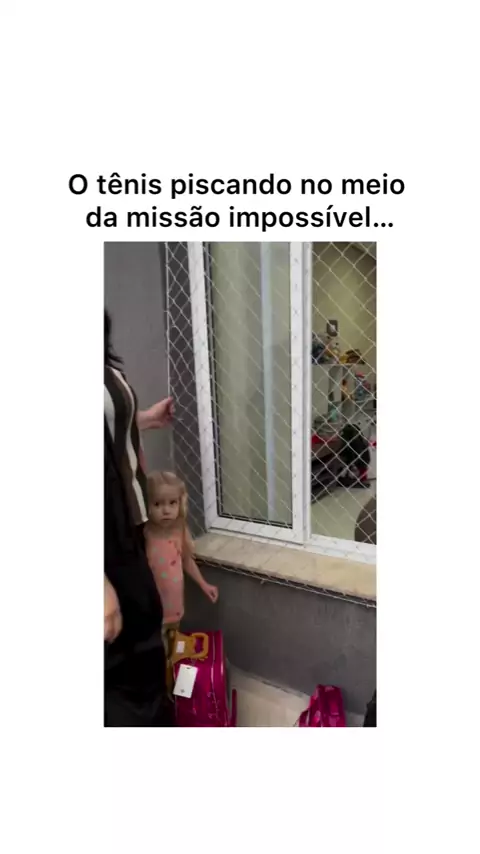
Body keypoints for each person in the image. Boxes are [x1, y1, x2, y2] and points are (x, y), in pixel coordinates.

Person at [104, 309, 175, 726]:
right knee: (124, 669)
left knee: (143, 649)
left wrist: (144, 419)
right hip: (105, 541)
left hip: (126, 529)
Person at [145, 471, 218, 661]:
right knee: (157, 653)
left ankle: (173, 673)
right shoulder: (145, 534)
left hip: (174, 606)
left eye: (172, 503)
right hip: (153, 609)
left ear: (180, 503)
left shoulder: (180, 530)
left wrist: (204, 584)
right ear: (147, 504)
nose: (166, 510)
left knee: (172, 645)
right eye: (158, 504)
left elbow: (186, 560)